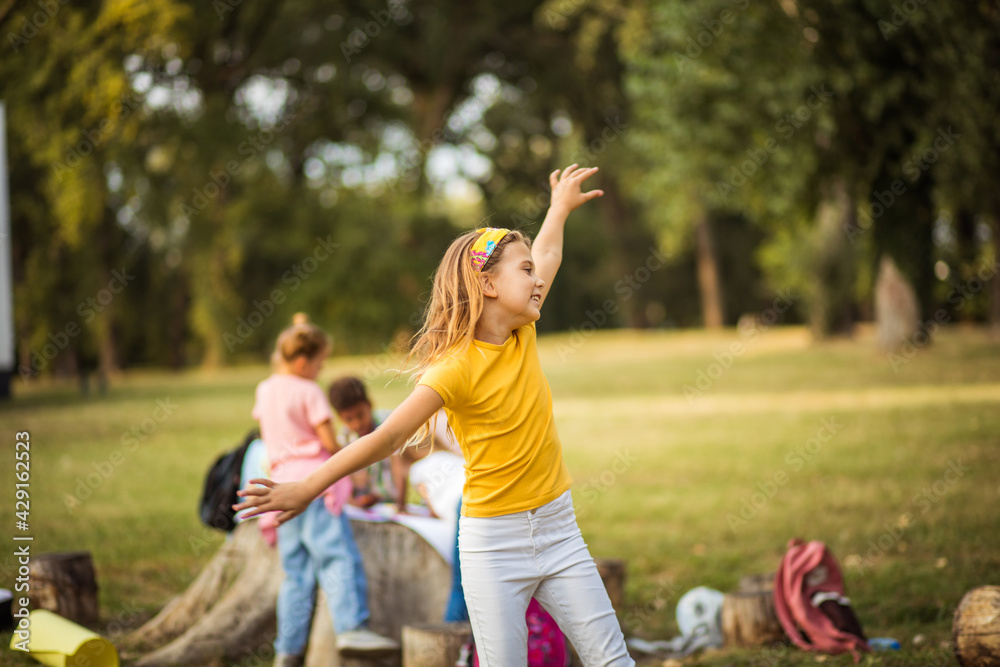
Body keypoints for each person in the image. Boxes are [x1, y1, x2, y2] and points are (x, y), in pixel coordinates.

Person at [237, 165, 634, 666]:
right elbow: (387, 436)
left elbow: (550, 251)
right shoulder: (454, 369)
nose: (539, 280)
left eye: (535, 270)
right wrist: (307, 486)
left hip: (560, 530)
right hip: (493, 546)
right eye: (525, 270)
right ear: (487, 284)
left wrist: (557, 208)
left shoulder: (522, 331)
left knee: (613, 660)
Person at [251, 315, 398, 666]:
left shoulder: (265, 389)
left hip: (280, 489)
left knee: (296, 576)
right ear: (303, 362)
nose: (320, 369)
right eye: (319, 363)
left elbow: (269, 433)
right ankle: (350, 628)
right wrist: (355, 475)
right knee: (336, 555)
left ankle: (287, 650)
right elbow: (330, 442)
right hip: (313, 488)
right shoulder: (309, 391)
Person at [327, 376, 399, 508]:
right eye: (349, 419)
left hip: (392, 502)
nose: (357, 424)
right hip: (366, 506)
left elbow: (401, 465)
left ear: (370, 405)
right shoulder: (344, 438)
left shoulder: (389, 424)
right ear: (340, 418)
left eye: (360, 415)